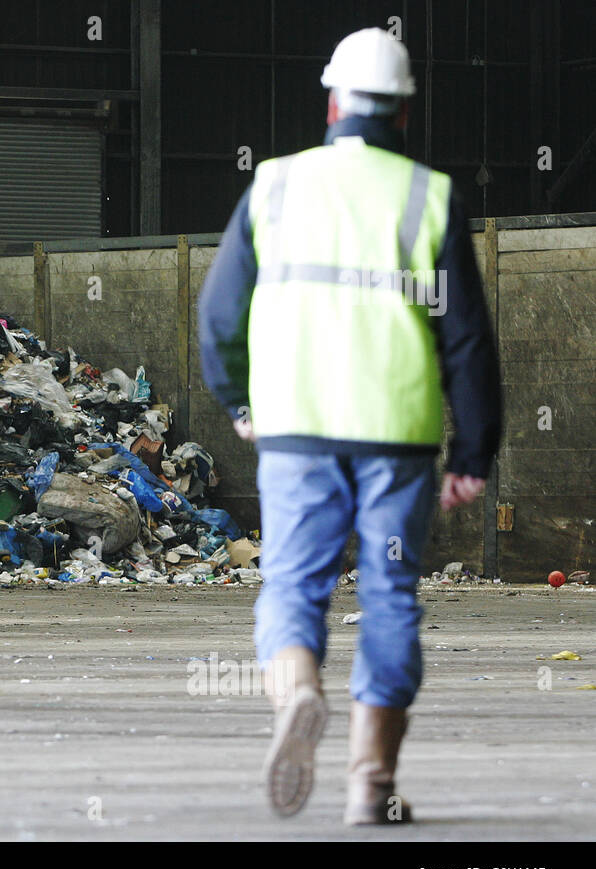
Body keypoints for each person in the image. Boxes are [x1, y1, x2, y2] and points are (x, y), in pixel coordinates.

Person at [197, 27, 502, 824]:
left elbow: (220, 312)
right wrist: (472, 449)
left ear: (333, 103)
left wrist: (240, 402)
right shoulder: (428, 196)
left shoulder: (273, 187)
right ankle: (371, 783)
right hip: (395, 439)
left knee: (294, 584)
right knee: (393, 595)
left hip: (295, 430)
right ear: (403, 111)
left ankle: (298, 690)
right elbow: (466, 338)